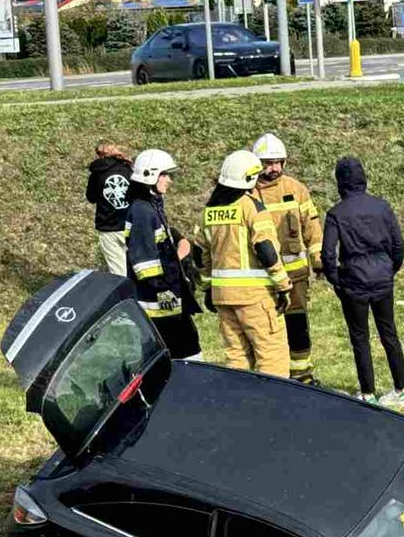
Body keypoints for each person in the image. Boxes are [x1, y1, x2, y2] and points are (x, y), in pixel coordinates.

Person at [321, 158, 404, 409]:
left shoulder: (336, 213)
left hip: (354, 282)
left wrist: (337, 280)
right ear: (364, 178)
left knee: (360, 337)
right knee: (389, 333)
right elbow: (398, 245)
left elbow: (328, 254)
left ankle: (368, 393)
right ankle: (402, 390)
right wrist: (389, 269)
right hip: (382, 278)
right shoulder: (382, 207)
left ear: (340, 182)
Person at [198, 149, 291, 377]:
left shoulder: (210, 211)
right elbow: (266, 250)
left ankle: (239, 406)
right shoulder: (251, 207)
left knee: (236, 357)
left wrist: (208, 287)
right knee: (271, 356)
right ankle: (272, 407)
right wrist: (283, 285)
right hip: (254, 297)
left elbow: (200, 253)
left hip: (223, 298)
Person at [251, 132, 324, 384]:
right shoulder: (249, 193)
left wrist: (318, 260)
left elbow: (312, 227)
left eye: (279, 162)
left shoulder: (296, 189)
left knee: (297, 325)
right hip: (262, 276)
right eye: (269, 163)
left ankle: (302, 374)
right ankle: (274, 375)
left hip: (295, 275)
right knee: (268, 328)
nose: (275, 168)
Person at [124, 148, 203, 360]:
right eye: (165, 175)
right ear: (151, 175)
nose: (169, 180)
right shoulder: (142, 211)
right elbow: (143, 260)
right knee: (184, 354)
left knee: (187, 350)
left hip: (167, 299)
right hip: (158, 303)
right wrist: (161, 290)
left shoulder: (151, 207)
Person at [85, 142, 133, 276]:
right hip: (130, 225)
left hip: (107, 227)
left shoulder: (96, 174)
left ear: (99, 154)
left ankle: (124, 296)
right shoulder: (127, 168)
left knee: (118, 272)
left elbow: (91, 197)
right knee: (138, 268)